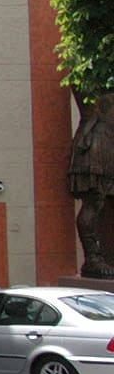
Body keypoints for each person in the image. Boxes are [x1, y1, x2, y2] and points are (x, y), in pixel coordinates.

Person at [68, 92, 114, 276]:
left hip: (105, 138)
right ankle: (92, 258)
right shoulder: (90, 70)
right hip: (97, 140)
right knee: (94, 201)